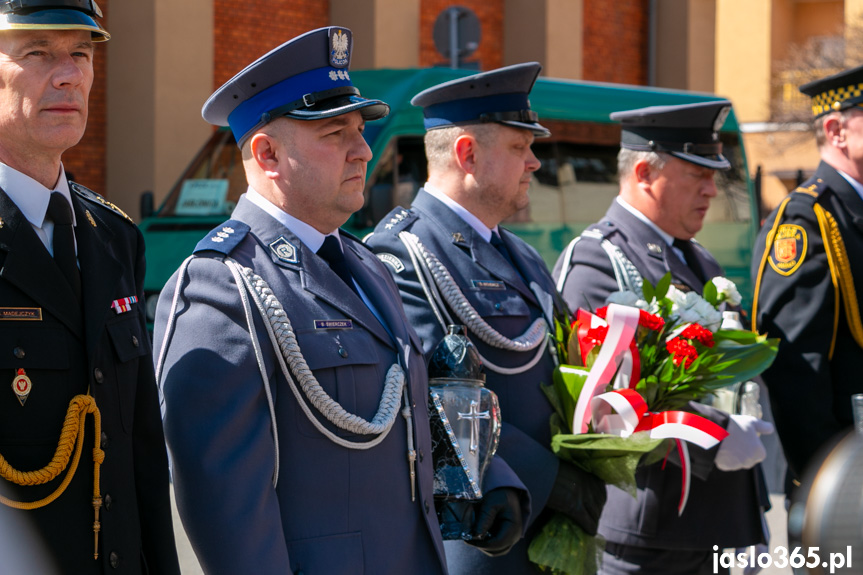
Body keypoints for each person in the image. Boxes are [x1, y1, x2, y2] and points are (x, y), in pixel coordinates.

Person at [154, 27, 528, 575]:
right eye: (336, 133)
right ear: (269, 153)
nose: (363, 150)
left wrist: (488, 476)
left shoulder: (366, 265)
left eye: (360, 130)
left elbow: (409, 401)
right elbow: (227, 511)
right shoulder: (221, 289)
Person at [365, 62, 607, 575]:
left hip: (549, 527)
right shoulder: (401, 251)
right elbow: (433, 388)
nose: (535, 162)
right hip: (487, 525)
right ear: (467, 153)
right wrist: (552, 481)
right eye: (520, 148)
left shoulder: (521, 254)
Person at [553, 101, 772, 575]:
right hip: (648, 530)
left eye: (714, 174)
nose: (713, 189)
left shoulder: (701, 261)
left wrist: (747, 516)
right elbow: (605, 402)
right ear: (644, 173)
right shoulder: (599, 259)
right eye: (697, 172)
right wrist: (715, 436)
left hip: (714, 526)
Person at [0, 2, 180, 574]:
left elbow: (140, 455)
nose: (70, 73)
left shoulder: (113, 236)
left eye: (81, 52)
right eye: (36, 52)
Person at [753, 64, 863, 483]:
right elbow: (797, 369)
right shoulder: (806, 220)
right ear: (836, 131)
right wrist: (829, 482)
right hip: (845, 477)